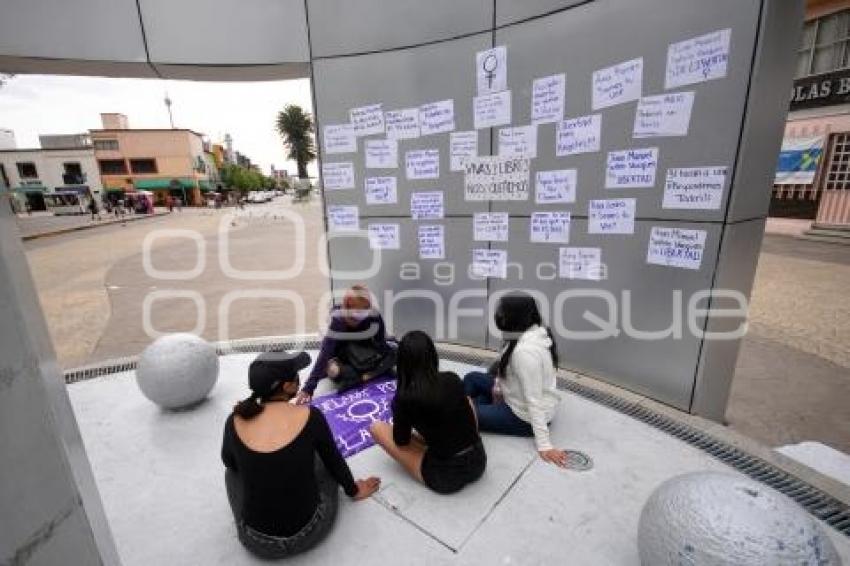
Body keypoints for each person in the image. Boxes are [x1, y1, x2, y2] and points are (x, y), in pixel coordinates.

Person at [221, 351, 380, 559]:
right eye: (296, 374)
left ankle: (247, 518)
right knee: (322, 459)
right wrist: (354, 490)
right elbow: (334, 461)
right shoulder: (310, 416)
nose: (299, 377)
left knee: (230, 474)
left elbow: (229, 462)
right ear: (287, 386)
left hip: (257, 542)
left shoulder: (234, 420)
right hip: (310, 532)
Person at [370, 331, 486, 494]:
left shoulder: (404, 398)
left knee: (377, 427)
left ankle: (435, 448)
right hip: (478, 461)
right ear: (432, 355)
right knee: (466, 400)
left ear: (402, 362)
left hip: (445, 476)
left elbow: (401, 441)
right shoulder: (452, 378)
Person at [463, 292, 568, 467]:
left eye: (503, 312)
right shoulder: (532, 329)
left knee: (464, 414)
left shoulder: (525, 352)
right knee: (471, 378)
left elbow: (533, 399)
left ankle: (469, 408)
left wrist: (545, 445)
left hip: (522, 416)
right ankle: (474, 405)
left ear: (515, 317)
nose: (499, 315)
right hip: (510, 392)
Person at [295, 285, 396, 404]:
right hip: (343, 358)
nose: (359, 319)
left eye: (364, 313)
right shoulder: (338, 321)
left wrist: (384, 360)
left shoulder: (373, 316)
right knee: (333, 370)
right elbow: (326, 352)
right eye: (356, 315)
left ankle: (364, 376)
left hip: (365, 355)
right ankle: (366, 375)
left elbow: (381, 345)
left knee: (395, 352)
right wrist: (309, 387)